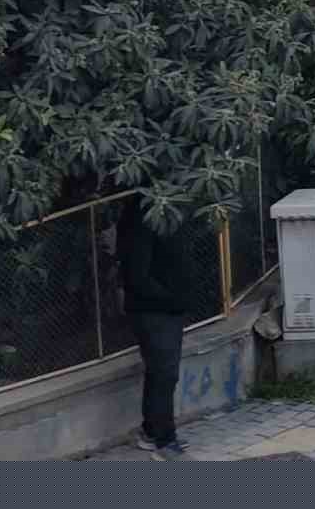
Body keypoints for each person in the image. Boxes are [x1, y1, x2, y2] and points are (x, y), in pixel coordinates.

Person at [119, 196, 191, 459]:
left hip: (163, 308)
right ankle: (164, 440)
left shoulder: (160, 216)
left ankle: (152, 431)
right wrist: (172, 300)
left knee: (160, 373)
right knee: (164, 373)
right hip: (154, 310)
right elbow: (137, 275)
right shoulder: (142, 221)